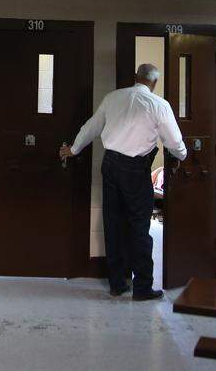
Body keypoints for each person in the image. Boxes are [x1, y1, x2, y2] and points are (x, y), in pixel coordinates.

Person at [59, 63, 187, 301]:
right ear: (154, 83)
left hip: (110, 166)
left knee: (113, 224)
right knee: (139, 228)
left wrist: (74, 149)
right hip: (136, 171)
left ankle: (117, 284)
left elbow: (91, 127)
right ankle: (142, 288)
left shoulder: (113, 97)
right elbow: (174, 142)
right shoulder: (159, 105)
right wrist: (182, 156)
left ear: (135, 77)